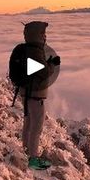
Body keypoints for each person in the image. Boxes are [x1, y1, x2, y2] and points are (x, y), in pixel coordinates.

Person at [20, 21, 60, 170]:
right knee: (36, 126)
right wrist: (53, 65)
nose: (45, 36)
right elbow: (42, 73)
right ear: (38, 35)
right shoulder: (35, 52)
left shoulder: (26, 49)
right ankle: (33, 159)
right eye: (43, 33)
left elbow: (34, 70)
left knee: (28, 123)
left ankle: (25, 151)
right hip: (35, 95)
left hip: (26, 92)